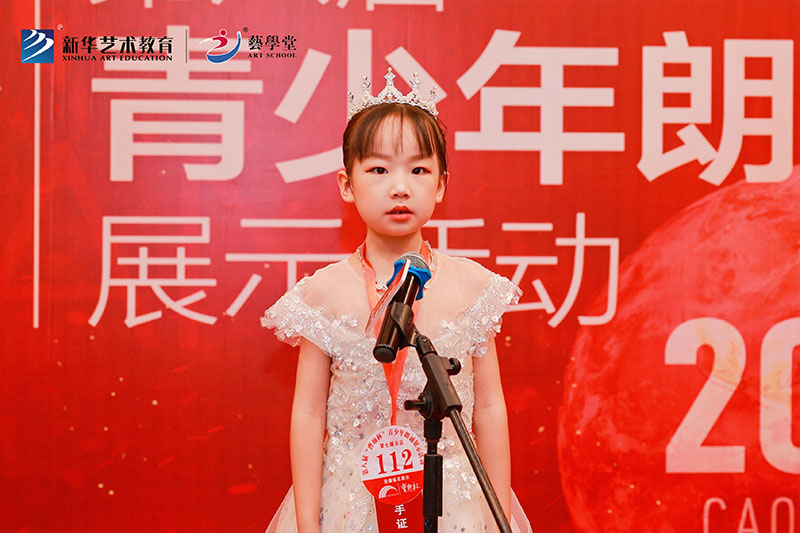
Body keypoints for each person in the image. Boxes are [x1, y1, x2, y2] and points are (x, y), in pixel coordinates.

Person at [262, 68, 532, 532]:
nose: (400, 186)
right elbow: (307, 414)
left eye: (419, 170)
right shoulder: (323, 292)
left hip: (451, 501)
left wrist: (498, 515)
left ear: (441, 185)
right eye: (379, 169)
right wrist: (308, 524)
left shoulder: (472, 286)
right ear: (346, 184)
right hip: (350, 503)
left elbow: (489, 408)